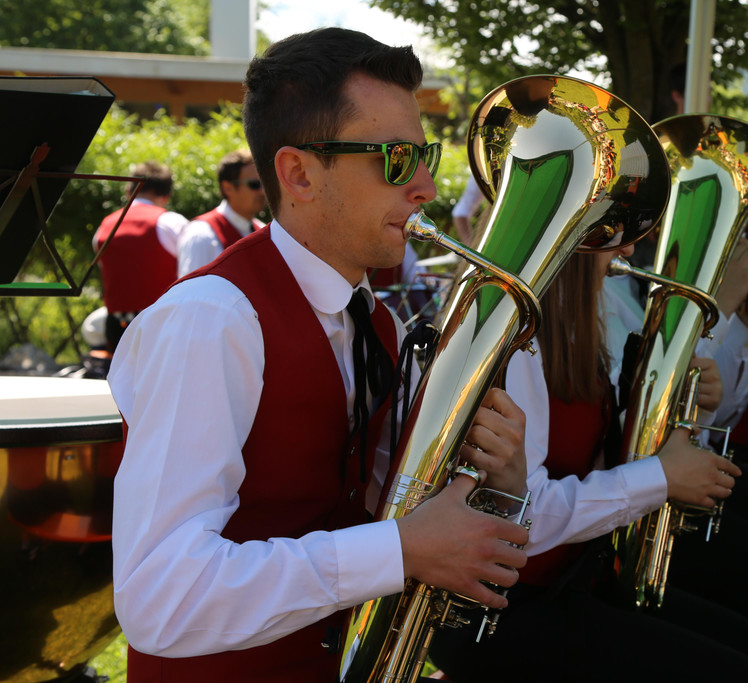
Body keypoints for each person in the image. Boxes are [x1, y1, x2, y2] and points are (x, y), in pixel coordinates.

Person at [109, 28, 530, 681]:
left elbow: (388, 511)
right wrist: (398, 549)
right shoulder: (211, 320)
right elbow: (159, 598)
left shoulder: (380, 322)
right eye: (396, 158)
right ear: (299, 174)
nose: (425, 186)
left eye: (424, 156)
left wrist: (499, 480)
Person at [429, 240, 748, 683]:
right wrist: (661, 476)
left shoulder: (577, 327)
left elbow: (600, 457)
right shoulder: (520, 343)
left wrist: (693, 409)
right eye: (616, 230)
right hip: (498, 611)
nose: (630, 247)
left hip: (570, 578)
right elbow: (522, 517)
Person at [92, 160, 188, 352]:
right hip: (164, 326)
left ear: (129, 191)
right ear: (166, 196)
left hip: (117, 328)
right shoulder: (173, 223)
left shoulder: (105, 225)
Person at [177, 148, 267, 276]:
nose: (262, 191)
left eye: (264, 183)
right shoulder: (201, 235)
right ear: (227, 188)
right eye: (254, 184)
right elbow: (191, 288)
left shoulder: (261, 229)